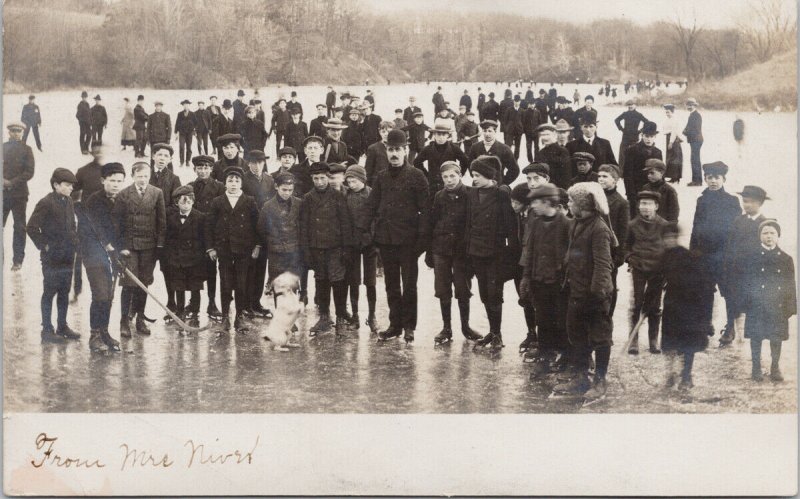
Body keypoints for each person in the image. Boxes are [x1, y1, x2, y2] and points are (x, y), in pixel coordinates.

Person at [359, 129, 430, 343]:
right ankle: (395, 325)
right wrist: (364, 231)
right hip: (386, 240)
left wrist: (421, 242)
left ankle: (409, 326)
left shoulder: (417, 176)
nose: (394, 154)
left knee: (409, 285)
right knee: (391, 285)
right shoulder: (381, 177)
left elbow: (426, 212)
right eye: (390, 149)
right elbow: (371, 206)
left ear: (406, 150)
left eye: (398, 149)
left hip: (409, 243)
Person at [553, 182, 616, 401]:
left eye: (571, 201)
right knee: (576, 333)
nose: (568, 204)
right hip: (575, 290)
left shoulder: (598, 228)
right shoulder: (577, 223)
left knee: (599, 336)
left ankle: (600, 380)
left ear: (583, 204)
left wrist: (598, 295)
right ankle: (580, 375)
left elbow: (603, 264)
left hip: (594, 294)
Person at [465, 156, 520, 350]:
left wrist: (511, 252)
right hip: (476, 251)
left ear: (490, 176)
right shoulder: (472, 194)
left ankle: (497, 335)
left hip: (496, 252)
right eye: (473, 175)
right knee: (484, 294)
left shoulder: (502, 194)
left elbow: (511, 225)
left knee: (494, 293)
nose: (474, 179)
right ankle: (492, 331)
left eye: (478, 175)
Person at [426, 161, 482, 344]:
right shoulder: (439, 196)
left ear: (459, 175)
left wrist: (471, 251)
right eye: (445, 177)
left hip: (462, 251)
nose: (449, 180)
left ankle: (465, 327)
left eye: (453, 176)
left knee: (462, 288)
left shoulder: (470, 194)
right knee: (443, 289)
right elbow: (432, 222)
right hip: (441, 249)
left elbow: (473, 223)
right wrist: (430, 251)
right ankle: (446, 327)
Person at [519, 183, 571, 370]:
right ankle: (545, 355)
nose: (533, 206)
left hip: (558, 283)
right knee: (542, 319)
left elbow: (571, 255)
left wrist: (563, 273)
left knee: (561, 320)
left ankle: (565, 357)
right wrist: (526, 277)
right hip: (538, 280)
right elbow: (530, 252)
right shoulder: (536, 222)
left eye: (536, 202)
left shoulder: (566, 224)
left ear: (547, 202)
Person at [300, 161, 355, 336]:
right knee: (321, 281)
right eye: (316, 178)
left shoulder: (338, 196)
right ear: (312, 179)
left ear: (328, 177)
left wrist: (346, 248)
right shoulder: (308, 198)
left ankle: (340, 318)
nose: (320, 182)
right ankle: (324, 317)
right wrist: (307, 252)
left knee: (338, 281)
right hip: (317, 248)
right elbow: (304, 227)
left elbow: (345, 223)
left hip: (335, 247)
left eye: (323, 178)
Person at [112, 161, 166, 337]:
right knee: (129, 284)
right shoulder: (123, 195)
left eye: (146, 176)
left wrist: (159, 245)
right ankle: (124, 321)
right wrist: (120, 247)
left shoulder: (157, 193)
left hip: (149, 246)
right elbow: (117, 223)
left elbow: (161, 221)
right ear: (133, 176)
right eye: (139, 176)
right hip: (130, 246)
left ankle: (140, 318)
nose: (143, 180)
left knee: (144, 283)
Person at [27, 168, 80, 344]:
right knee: (50, 291)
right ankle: (47, 330)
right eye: (67, 185)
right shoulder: (46, 202)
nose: (70, 188)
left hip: (67, 255)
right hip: (51, 257)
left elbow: (72, 225)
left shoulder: (69, 201)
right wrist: (45, 245)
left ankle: (62, 326)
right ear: (56, 185)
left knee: (64, 291)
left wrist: (74, 242)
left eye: (72, 185)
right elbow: (31, 227)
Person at [205, 166, 261, 333]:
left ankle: (240, 316)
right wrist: (210, 248)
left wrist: (257, 245)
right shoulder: (218, 202)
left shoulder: (249, 201)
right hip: (224, 250)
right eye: (230, 180)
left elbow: (257, 225)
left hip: (244, 250)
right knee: (225, 284)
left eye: (237, 180)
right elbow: (209, 226)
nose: (234, 184)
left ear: (242, 183)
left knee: (242, 284)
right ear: (225, 183)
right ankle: (225, 318)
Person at [690, 161, 742, 340]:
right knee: (705, 289)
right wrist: (693, 253)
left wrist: (733, 254)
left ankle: (730, 328)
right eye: (709, 178)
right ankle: (706, 322)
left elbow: (737, 230)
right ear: (705, 179)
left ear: (723, 179)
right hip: (704, 255)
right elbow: (695, 227)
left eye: (717, 178)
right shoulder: (702, 200)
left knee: (728, 291)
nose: (713, 181)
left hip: (724, 255)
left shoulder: (732, 201)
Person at [77, 162, 125, 352]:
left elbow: (122, 229)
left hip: (113, 255)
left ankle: (104, 331)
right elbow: (95, 229)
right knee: (100, 294)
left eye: (119, 181)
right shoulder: (93, 201)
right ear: (103, 180)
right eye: (112, 181)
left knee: (110, 295)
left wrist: (122, 250)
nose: (115, 185)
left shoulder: (122, 200)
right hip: (94, 253)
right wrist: (109, 247)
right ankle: (94, 335)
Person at [743, 220, 796, 382]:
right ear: (760, 236)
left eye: (772, 233)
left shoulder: (786, 259)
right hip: (757, 305)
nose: (769, 236)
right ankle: (756, 367)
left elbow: (790, 285)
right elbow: (746, 282)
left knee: (776, 337)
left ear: (778, 235)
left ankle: (775, 367)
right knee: (756, 336)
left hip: (777, 305)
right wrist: (746, 303)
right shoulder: (751, 257)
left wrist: (790, 307)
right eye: (765, 233)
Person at [661, 223, 711, 391]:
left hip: (689, 308)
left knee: (687, 345)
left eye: (671, 237)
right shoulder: (665, 256)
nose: (668, 241)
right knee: (669, 344)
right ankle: (671, 373)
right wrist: (649, 302)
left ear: (676, 238)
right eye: (665, 238)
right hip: (671, 307)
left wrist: (705, 318)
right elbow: (656, 281)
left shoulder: (689, 257)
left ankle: (686, 376)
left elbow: (703, 288)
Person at [719, 185, 769, 346]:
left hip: (753, 271)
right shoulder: (738, 220)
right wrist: (726, 265)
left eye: (751, 202)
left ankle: (755, 332)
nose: (747, 205)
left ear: (760, 203)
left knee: (753, 301)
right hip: (735, 268)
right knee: (730, 298)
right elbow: (729, 244)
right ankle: (729, 329)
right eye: (744, 201)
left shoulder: (765, 224)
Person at [626, 190, 670, 355]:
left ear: (656, 206)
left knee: (655, 306)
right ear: (638, 206)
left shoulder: (664, 225)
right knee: (637, 303)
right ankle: (634, 340)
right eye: (642, 203)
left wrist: (667, 268)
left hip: (657, 271)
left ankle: (653, 339)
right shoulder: (632, 225)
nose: (645, 207)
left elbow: (669, 248)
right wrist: (630, 258)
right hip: (639, 268)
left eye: (649, 204)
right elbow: (626, 246)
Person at [188, 155, 225, 320]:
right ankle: (194, 303)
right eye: (199, 168)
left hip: (213, 234)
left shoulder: (219, 187)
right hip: (195, 235)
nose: (203, 171)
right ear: (195, 169)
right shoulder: (190, 187)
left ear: (211, 169)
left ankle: (212, 302)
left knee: (211, 270)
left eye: (206, 168)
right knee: (194, 269)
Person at [164, 185, 207, 327]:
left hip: (195, 260)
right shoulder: (170, 218)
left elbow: (204, 239)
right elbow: (168, 239)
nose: (186, 204)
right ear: (177, 203)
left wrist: (201, 256)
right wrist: (171, 256)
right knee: (179, 286)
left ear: (193, 202)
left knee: (195, 287)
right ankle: (180, 311)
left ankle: (195, 313)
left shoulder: (200, 217)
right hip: (177, 260)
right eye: (183, 201)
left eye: (189, 201)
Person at [343, 165, 379, 333]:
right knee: (353, 280)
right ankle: (355, 315)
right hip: (352, 244)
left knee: (370, 281)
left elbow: (377, 218)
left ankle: (372, 316)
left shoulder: (372, 194)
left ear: (363, 180)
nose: (352, 184)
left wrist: (371, 238)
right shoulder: (346, 195)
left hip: (370, 244)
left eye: (355, 180)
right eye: (349, 181)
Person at [258, 171, 304, 297]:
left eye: (290, 190)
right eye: (284, 189)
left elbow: (302, 226)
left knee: (292, 285)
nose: (287, 193)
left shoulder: (299, 204)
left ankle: (291, 314)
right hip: (276, 253)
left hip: (293, 251)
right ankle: (280, 313)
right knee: (278, 286)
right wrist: (272, 242)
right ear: (276, 187)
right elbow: (262, 229)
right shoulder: (268, 206)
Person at [71, 143, 108, 294]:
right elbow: (73, 191)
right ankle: (77, 288)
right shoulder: (83, 171)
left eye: (101, 150)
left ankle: (104, 288)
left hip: (104, 219)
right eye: (96, 150)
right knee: (79, 254)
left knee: (105, 253)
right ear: (92, 152)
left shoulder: (109, 171)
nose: (99, 152)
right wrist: (77, 208)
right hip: (86, 220)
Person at [242, 150, 275, 319]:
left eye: (260, 162)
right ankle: (246, 304)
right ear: (248, 164)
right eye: (253, 163)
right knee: (249, 267)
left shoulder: (269, 180)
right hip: (248, 228)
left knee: (262, 266)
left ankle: (256, 302)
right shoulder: (243, 180)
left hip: (265, 228)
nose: (257, 166)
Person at [597, 164, 629, 316]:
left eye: (605, 176)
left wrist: (619, 255)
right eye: (599, 176)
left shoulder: (621, 202)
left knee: (609, 286)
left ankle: (607, 317)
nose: (601, 179)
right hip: (595, 249)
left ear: (615, 180)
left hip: (610, 251)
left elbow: (623, 231)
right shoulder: (595, 197)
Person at [3, 122, 35, 271]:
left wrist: (12, 182)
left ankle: (18, 260)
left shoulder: (27, 150)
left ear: (23, 133)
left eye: (19, 131)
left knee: (19, 227)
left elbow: (29, 172)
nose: (16, 133)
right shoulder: (2, 147)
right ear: (9, 132)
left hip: (19, 195)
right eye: (13, 131)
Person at [414, 123, 470, 195]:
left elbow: (465, 161)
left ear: (448, 135)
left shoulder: (454, 148)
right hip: (433, 185)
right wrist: (427, 175)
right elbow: (416, 162)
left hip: (450, 183)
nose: (441, 137)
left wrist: (458, 175)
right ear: (434, 135)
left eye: (443, 135)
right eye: (438, 134)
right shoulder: (428, 149)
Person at [621, 121, 662, 217]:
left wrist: (659, 191)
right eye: (646, 136)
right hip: (636, 190)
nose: (649, 139)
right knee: (635, 216)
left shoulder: (658, 152)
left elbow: (660, 174)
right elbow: (628, 174)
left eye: (651, 136)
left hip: (653, 191)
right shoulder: (631, 150)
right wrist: (631, 194)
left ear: (655, 137)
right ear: (642, 135)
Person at [467, 120, 519, 186]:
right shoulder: (475, 147)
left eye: (490, 131)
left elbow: (514, 170)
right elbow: (470, 165)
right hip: (478, 186)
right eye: (485, 131)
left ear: (495, 132)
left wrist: (503, 183)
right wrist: (476, 178)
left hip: (496, 187)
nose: (487, 134)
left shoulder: (504, 148)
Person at [613, 100, 647, 170]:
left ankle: (633, 170)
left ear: (635, 105)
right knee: (622, 154)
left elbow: (647, 122)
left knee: (634, 153)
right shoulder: (625, 114)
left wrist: (640, 131)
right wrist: (621, 129)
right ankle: (621, 171)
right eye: (629, 105)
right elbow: (616, 120)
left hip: (634, 137)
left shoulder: (638, 114)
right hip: (625, 136)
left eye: (632, 105)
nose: (630, 106)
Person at [535, 123, 571, 189]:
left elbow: (566, 175)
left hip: (559, 189)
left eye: (548, 134)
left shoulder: (562, 151)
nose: (545, 137)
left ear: (554, 135)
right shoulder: (540, 153)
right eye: (543, 135)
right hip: (543, 188)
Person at [364, 121, 394, 187]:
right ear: (379, 132)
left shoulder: (397, 147)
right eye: (383, 132)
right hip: (378, 183)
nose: (386, 134)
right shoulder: (373, 148)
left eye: (389, 132)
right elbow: (368, 170)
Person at [683, 98, 704, 186]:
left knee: (695, 160)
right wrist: (685, 131)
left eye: (691, 105)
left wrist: (685, 132)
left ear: (695, 106)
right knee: (695, 160)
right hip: (695, 140)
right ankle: (697, 180)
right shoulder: (692, 115)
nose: (689, 107)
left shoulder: (696, 115)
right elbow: (689, 127)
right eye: (688, 105)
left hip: (696, 140)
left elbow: (696, 129)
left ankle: (697, 181)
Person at [661, 104, 683, 183]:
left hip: (673, 139)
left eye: (668, 112)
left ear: (672, 112)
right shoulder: (668, 119)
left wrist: (671, 142)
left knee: (674, 158)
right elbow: (664, 129)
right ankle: (673, 177)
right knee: (671, 157)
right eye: (666, 112)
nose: (667, 114)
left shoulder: (674, 120)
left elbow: (674, 132)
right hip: (669, 137)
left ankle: (675, 177)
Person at [174, 100, 195, 167]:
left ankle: (188, 161)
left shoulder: (192, 114)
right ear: (183, 106)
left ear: (189, 105)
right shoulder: (179, 114)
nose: (186, 106)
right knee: (181, 147)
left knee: (189, 148)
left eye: (187, 105)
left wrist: (194, 130)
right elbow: (177, 123)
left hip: (189, 133)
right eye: (184, 105)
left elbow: (196, 123)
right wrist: (176, 133)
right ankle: (181, 162)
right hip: (182, 133)